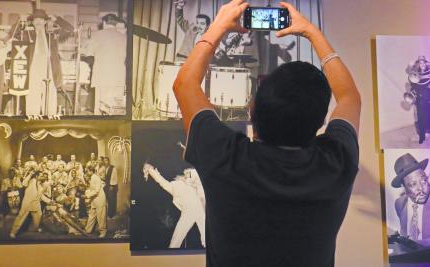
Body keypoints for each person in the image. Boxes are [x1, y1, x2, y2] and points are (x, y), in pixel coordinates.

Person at [172, 1, 361, 266]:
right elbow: (349, 97)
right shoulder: (336, 163)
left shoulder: (226, 158)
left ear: (252, 110)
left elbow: (184, 83)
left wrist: (219, 25)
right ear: (320, 123)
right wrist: (311, 32)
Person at [143, 164, 206, 248]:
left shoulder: (194, 182)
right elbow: (161, 181)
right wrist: (150, 170)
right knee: (176, 241)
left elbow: (195, 175)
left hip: (197, 209)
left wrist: (150, 170)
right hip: (190, 212)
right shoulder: (176, 185)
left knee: (204, 237)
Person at [84, 14, 127, 115]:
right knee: (116, 109)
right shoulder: (124, 37)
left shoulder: (96, 35)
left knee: (99, 109)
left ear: (104, 23)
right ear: (116, 24)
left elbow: (88, 53)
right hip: (119, 78)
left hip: (102, 78)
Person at [391, 153, 430, 240]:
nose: (421, 188)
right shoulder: (399, 204)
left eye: (423, 180)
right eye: (413, 184)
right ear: (403, 186)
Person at [10, 171, 52, 238]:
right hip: (27, 203)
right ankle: (13, 232)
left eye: (43, 176)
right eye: (41, 176)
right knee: (21, 217)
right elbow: (23, 184)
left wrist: (49, 201)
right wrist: (30, 174)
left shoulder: (41, 185)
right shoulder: (31, 181)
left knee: (39, 215)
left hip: (36, 203)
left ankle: (35, 228)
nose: (42, 177)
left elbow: (41, 196)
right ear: (36, 176)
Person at [408, 56, 430, 144]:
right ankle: (422, 136)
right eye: (420, 63)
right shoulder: (415, 74)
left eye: (423, 62)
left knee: (429, 116)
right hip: (420, 99)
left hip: (429, 97)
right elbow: (413, 85)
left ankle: (428, 132)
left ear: (426, 63)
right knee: (420, 118)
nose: (422, 64)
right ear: (419, 64)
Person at [84, 167, 107, 238]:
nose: (86, 173)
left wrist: (87, 195)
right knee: (92, 214)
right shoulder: (92, 177)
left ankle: (103, 231)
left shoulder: (95, 178)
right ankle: (88, 230)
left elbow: (96, 191)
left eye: (87, 171)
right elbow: (92, 189)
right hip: (94, 200)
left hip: (100, 199)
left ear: (91, 171)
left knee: (101, 216)